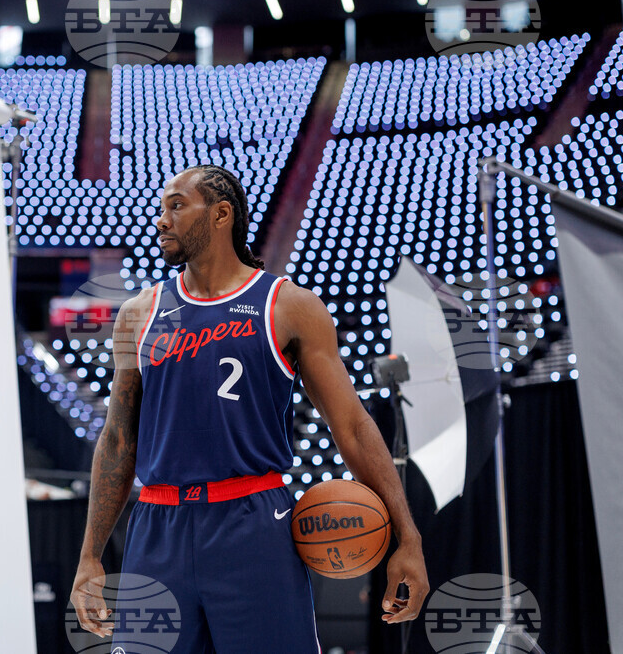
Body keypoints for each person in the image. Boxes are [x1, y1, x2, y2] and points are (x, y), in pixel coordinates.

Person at [70, 164, 429, 652]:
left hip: (254, 525)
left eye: (177, 205)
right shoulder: (138, 313)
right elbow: (117, 439)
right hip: (158, 528)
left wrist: (407, 537)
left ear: (221, 214)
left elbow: (351, 426)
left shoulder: (289, 306)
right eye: (161, 207)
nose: (161, 219)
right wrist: (90, 555)